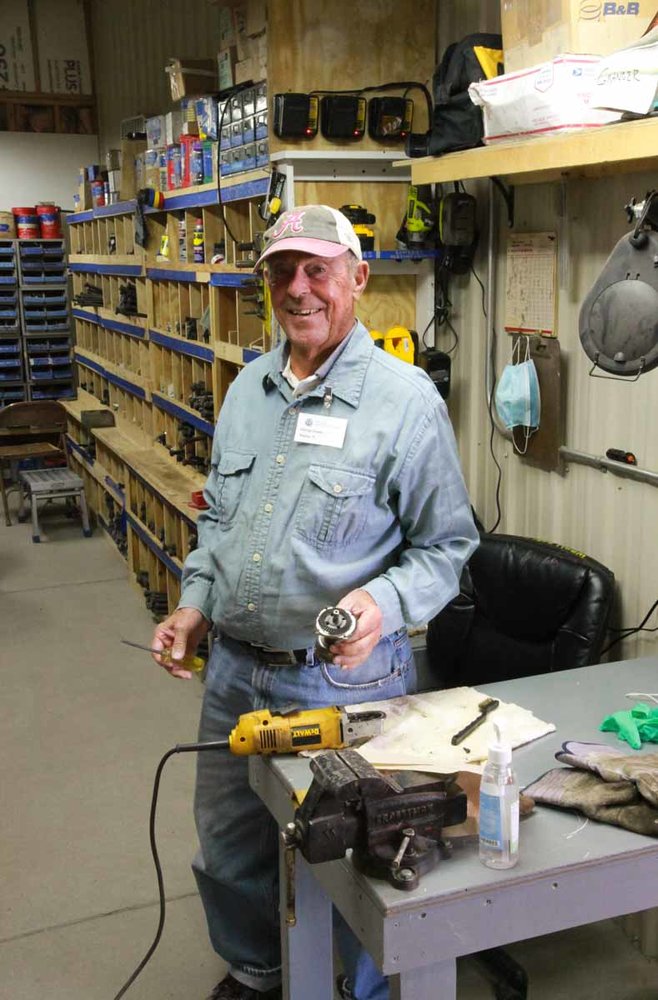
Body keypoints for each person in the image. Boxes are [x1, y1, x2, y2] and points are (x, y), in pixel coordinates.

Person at [152, 204, 479, 1000]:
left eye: (316, 270)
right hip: (233, 671)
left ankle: (354, 993)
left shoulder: (406, 404)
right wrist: (196, 603)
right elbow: (219, 526)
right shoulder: (248, 394)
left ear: (357, 280)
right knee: (227, 845)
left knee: (359, 861)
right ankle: (261, 971)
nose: (297, 290)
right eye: (280, 272)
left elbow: (448, 547)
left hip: (341, 683)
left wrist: (385, 603)